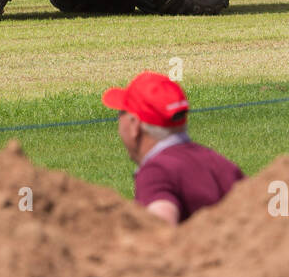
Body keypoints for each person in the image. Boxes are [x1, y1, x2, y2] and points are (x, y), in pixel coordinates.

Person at [102, 71, 243, 224]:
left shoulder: (156, 172)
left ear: (135, 125)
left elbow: (160, 230)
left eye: (120, 113)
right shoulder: (221, 164)